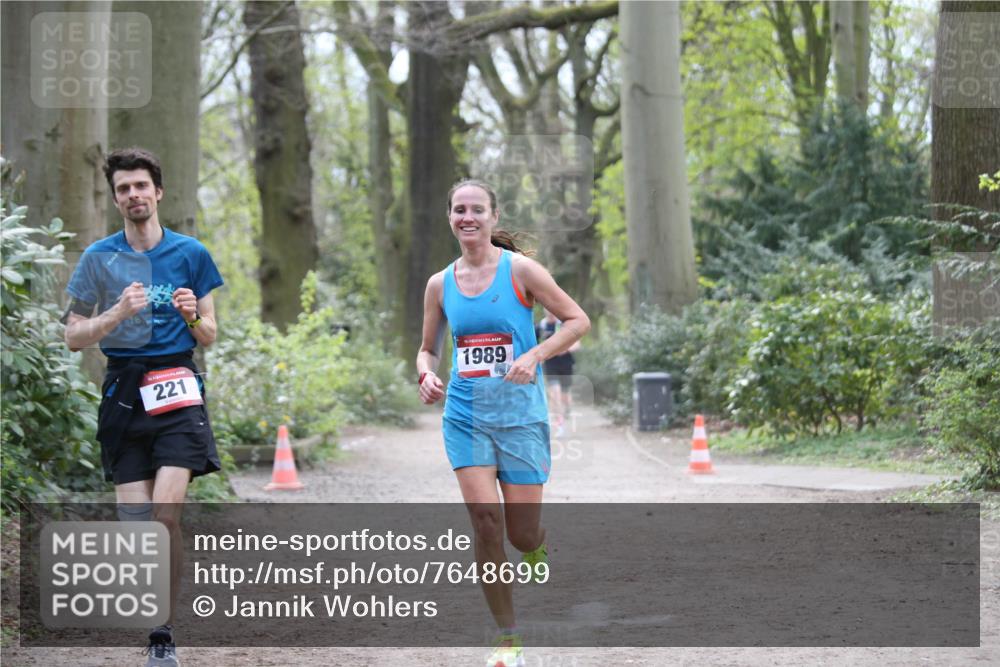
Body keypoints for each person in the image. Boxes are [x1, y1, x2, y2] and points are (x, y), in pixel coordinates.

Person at [416, 179, 590, 667]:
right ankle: (508, 636)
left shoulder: (521, 270)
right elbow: (427, 348)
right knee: (486, 523)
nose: (466, 217)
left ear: (493, 217)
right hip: (466, 416)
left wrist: (535, 354)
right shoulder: (439, 284)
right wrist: (426, 373)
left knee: (520, 533)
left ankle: (536, 548)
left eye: (476, 209)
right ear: (449, 218)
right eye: (458, 210)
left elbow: (578, 319)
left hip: (519, 417)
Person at [63, 147, 224, 667]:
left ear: (158, 192)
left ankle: (162, 631)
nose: (133, 195)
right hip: (124, 393)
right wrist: (113, 314)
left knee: (163, 516)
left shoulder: (191, 253)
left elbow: (211, 335)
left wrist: (193, 314)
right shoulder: (98, 258)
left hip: (177, 386)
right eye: (123, 189)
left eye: (141, 186)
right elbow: (71, 336)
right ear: (116, 199)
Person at [535, 308, 581, 437]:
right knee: (555, 395)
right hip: (550, 364)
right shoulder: (541, 326)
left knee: (565, 396)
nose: (550, 311)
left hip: (566, 364)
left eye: (551, 309)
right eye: (547, 309)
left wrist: (566, 350)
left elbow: (577, 344)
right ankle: (560, 426)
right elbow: (533, 344)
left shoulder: (564, 325)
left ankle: (567, 408)